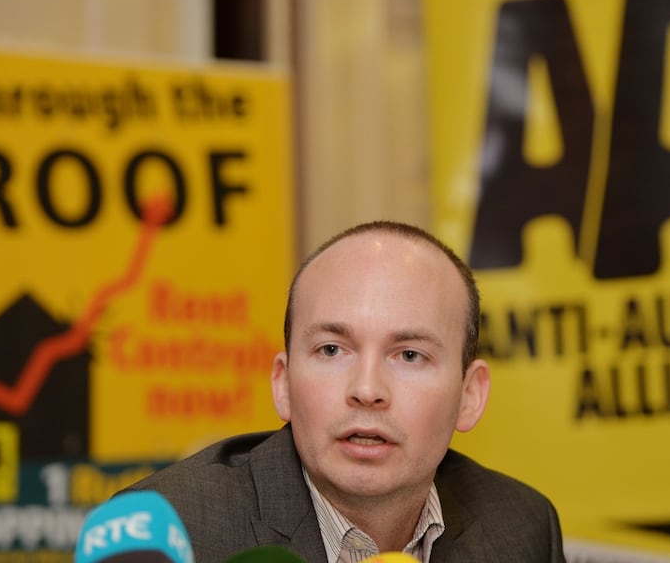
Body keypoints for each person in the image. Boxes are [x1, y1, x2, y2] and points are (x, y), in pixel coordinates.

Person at [126, 221, 566, 562]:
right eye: (332, 349)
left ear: (469, 396)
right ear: (282, 384)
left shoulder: (520, 527)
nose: (367, 390)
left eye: (409, 355)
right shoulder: (171, 533)